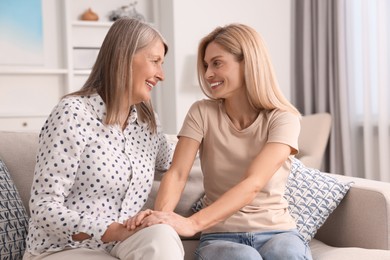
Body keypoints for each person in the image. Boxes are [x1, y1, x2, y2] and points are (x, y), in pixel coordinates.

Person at [125, 23, 313, 259]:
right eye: (206, 65)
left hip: (278, 232)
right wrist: (164, 221)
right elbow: (178, 173)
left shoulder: (284, 118)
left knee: (287, 254)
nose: (207, 74)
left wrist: (193, 223)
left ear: (248, 63)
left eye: (217, 63)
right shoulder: (202, 112)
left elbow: (253, 182)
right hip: (220, 235)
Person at [23, 18, 184, 260]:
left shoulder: (147, 125)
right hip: (63, 248)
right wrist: (112, 230)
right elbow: (43, 208)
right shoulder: (73, 113)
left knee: (162, 235)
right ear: (124, 57)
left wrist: (210, 124)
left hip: (120, 245)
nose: (161, 75)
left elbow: (177, 163)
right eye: (155, 62)